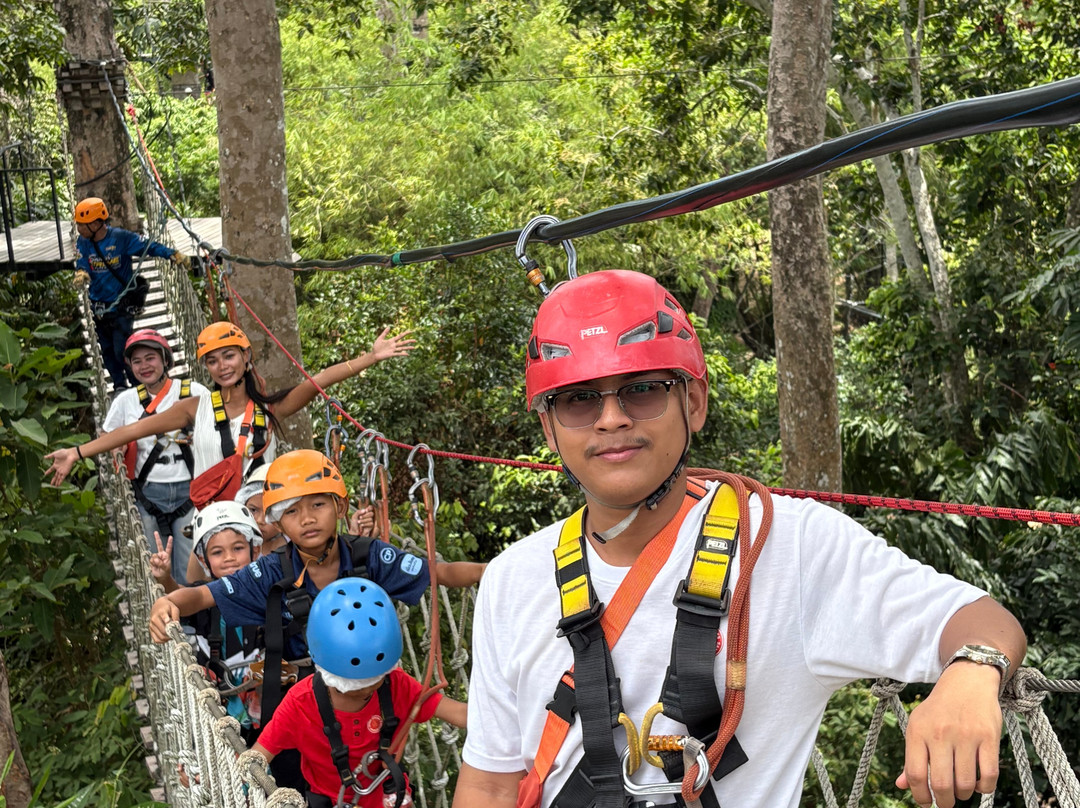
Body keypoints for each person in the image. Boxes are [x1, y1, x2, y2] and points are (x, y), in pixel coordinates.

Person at [453, 269, 1027, 808]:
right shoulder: (512, 580)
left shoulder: (788, 548)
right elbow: (491, 785)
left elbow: (982, 620)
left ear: (693, 402)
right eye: (579, 399)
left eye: (644, 389)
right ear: (548, 427)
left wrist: (973, 672)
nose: (611, 419)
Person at [44, 321, 416, 506]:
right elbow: (131, 432)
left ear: (245, 356)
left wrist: (371, 357)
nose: (222, 366)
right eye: (213, 360)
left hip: (261, 512)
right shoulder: (195, 406)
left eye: (229, 356)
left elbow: (317, 382)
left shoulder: (270, 409)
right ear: (206, 367)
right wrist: (76, 453)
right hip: (213, 515)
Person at [251, 577, 467, 808]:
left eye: (371, 683)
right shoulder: (300, 703)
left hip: (388, 797)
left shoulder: (396, 685)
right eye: (350, 688)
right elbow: (259, 755)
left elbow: (459, 713)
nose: (363, 691)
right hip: (330, 801)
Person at [103, 329, 209, 584]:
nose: (144, 366)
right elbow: (108, 436)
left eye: (150, 358)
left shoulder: (194, 391)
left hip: (190, 491)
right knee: (155, 567)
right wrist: (116, 452)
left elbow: (219, 427)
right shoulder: (126, 401)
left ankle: (189, 623)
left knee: (188, 567)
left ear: (164, 359)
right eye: (136, 361)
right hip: (147, 494)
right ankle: (167, 620)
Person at [153, 501, 266, 740]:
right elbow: (184, 599)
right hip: (219, 712)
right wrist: (165, 580)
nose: (229, 559)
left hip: (266, 709)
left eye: (237, 548)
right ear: (204, 561)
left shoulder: (269, 593)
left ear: (254, 551)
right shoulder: (205, 598)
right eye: (217, 552)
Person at [72, 197, 190, 390]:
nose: (79, 229)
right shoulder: (84, 242)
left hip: (121, 306)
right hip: (98, 306)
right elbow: (83, 260)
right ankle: (119, 386)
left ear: (95, 223)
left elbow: (149, 247)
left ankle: (138, 386)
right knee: (107, 351)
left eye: (82, 225)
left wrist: (171, 254)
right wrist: (82, 271)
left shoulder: (121, 238)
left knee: (121, 350)